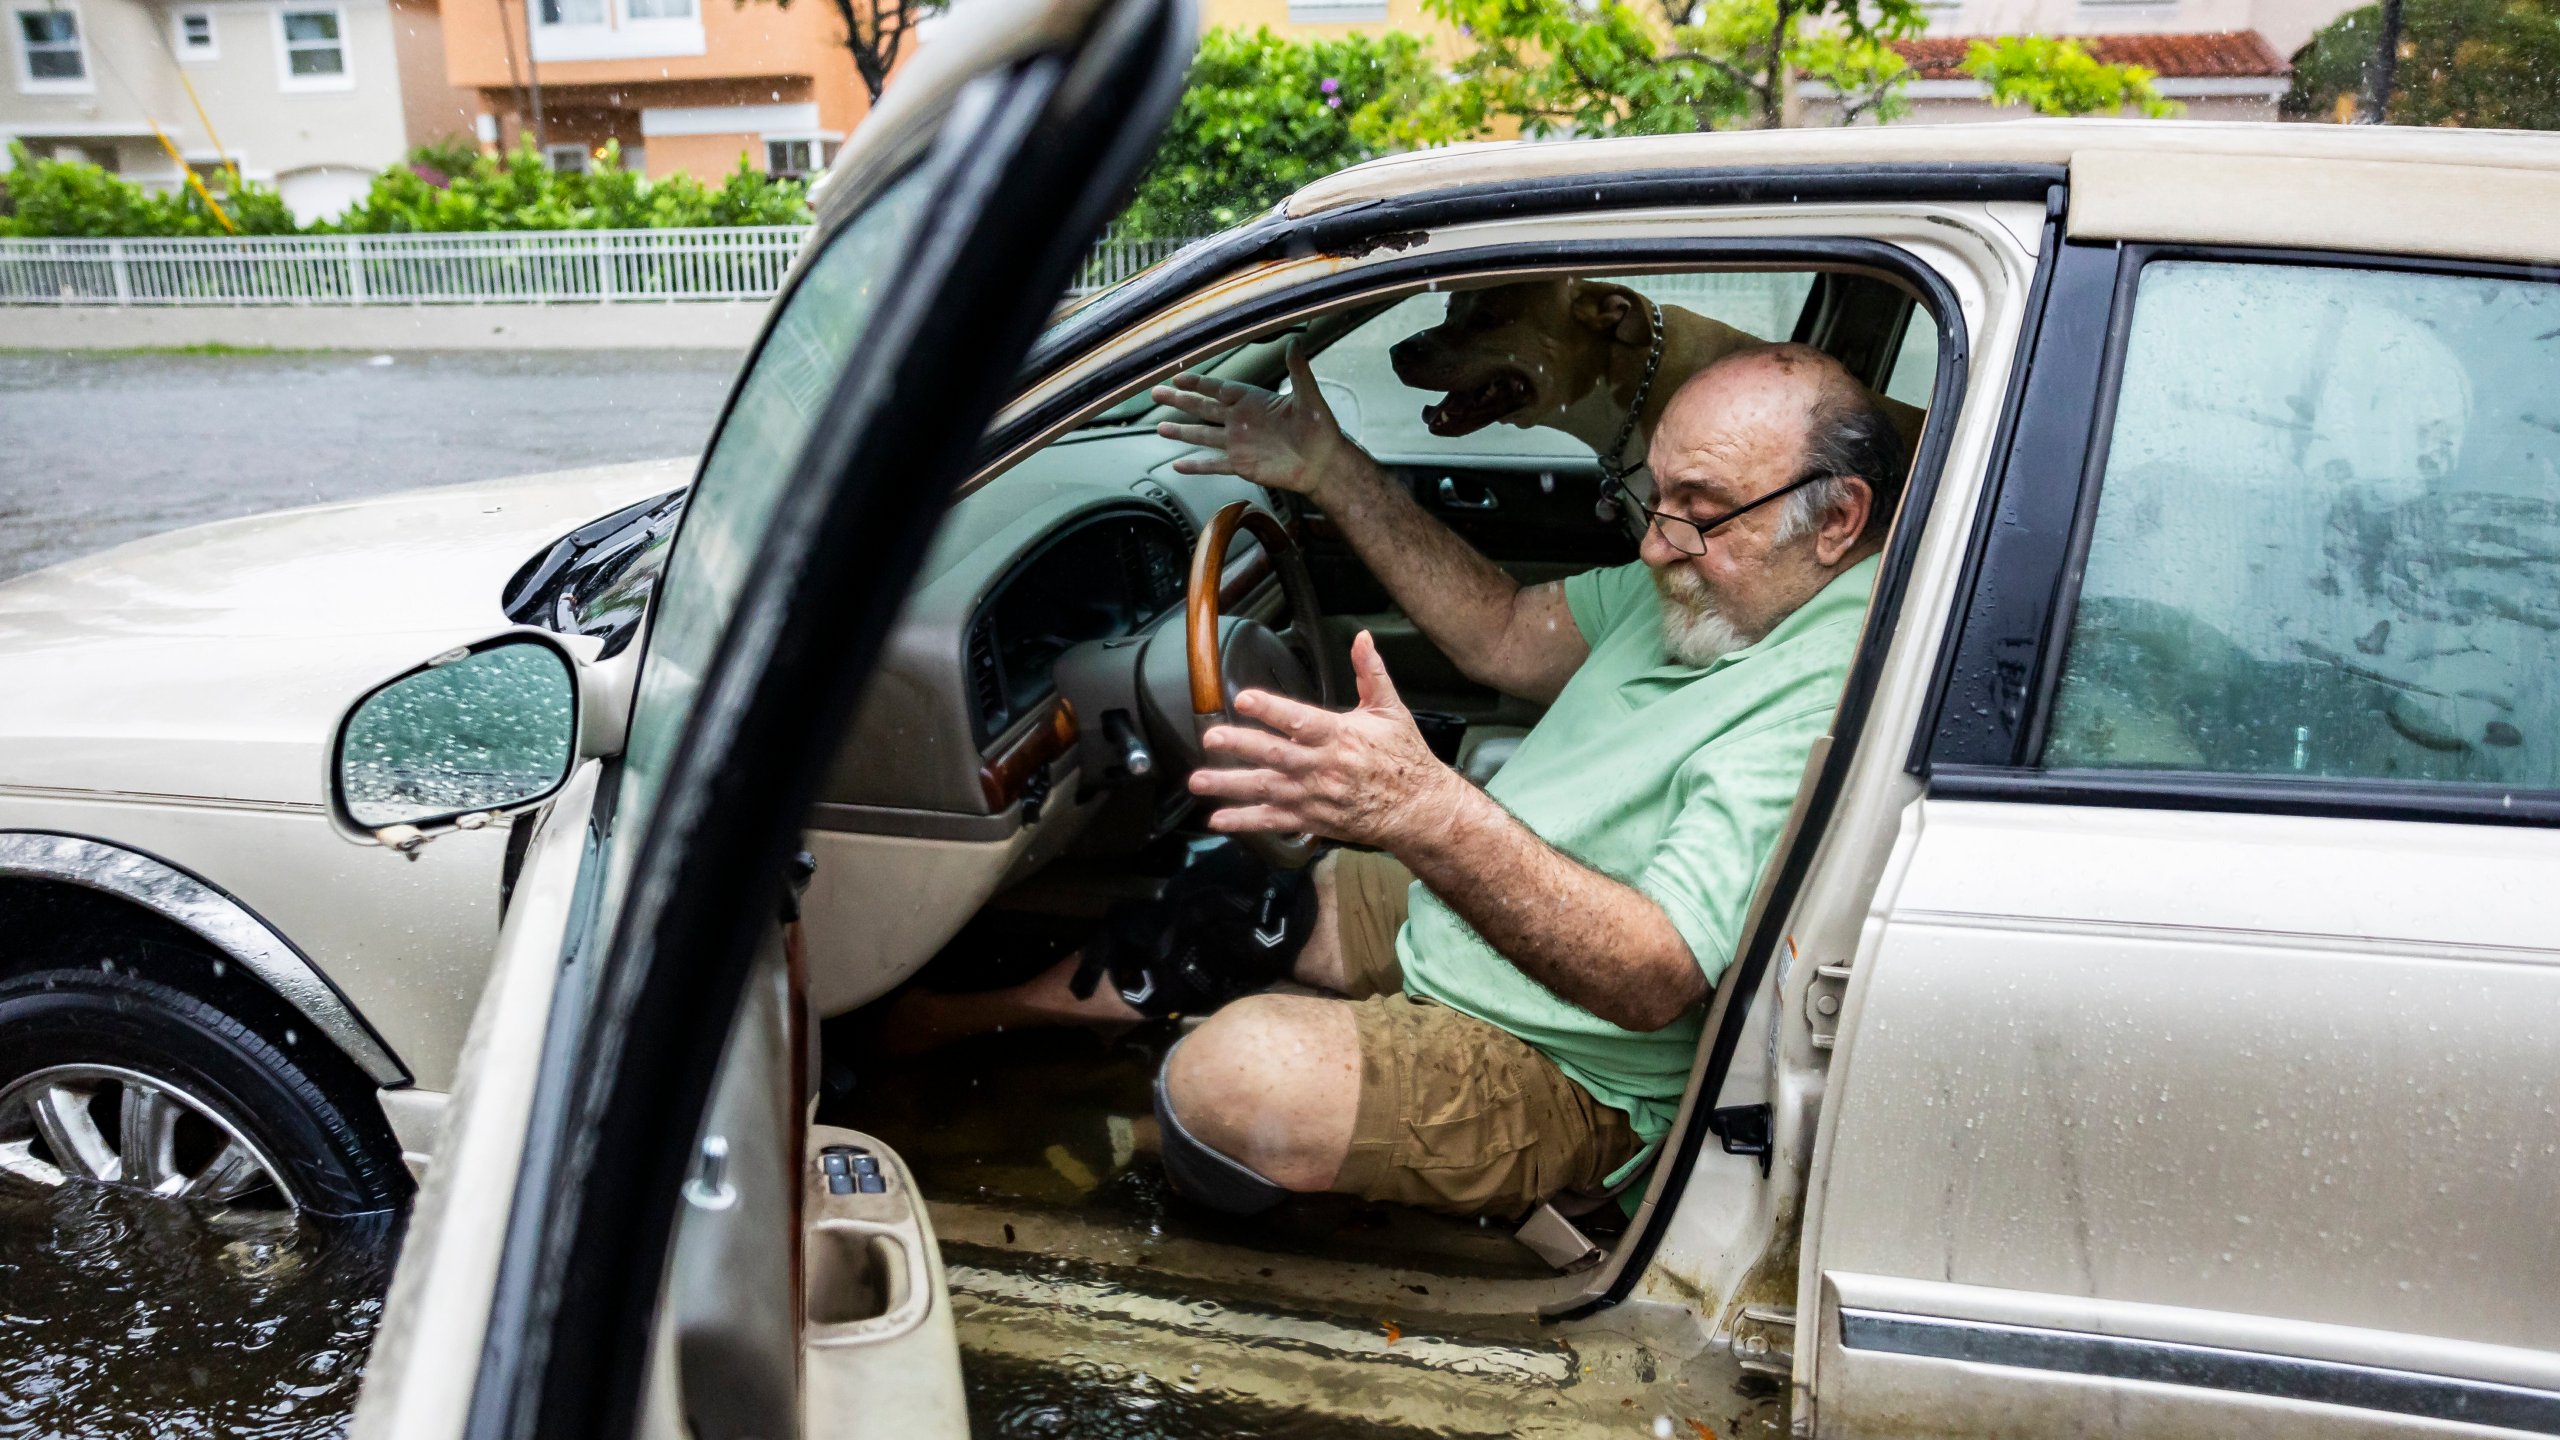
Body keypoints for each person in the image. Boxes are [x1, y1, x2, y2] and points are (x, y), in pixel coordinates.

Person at [896, 337, 1905, 1221]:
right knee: (1242, 898)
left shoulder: (1833, 683)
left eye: (1699, 513)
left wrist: (1425, 813)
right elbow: (1505, 634)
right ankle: (966, 1016)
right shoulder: (1718, 584)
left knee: (1227, 1078)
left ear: (1834, 519)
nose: (1652, 544)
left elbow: (1651, 980)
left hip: (1574, 1066)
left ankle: (1152, 1162)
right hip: (1490, 925)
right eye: (1653, 497)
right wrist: (1333, 470)